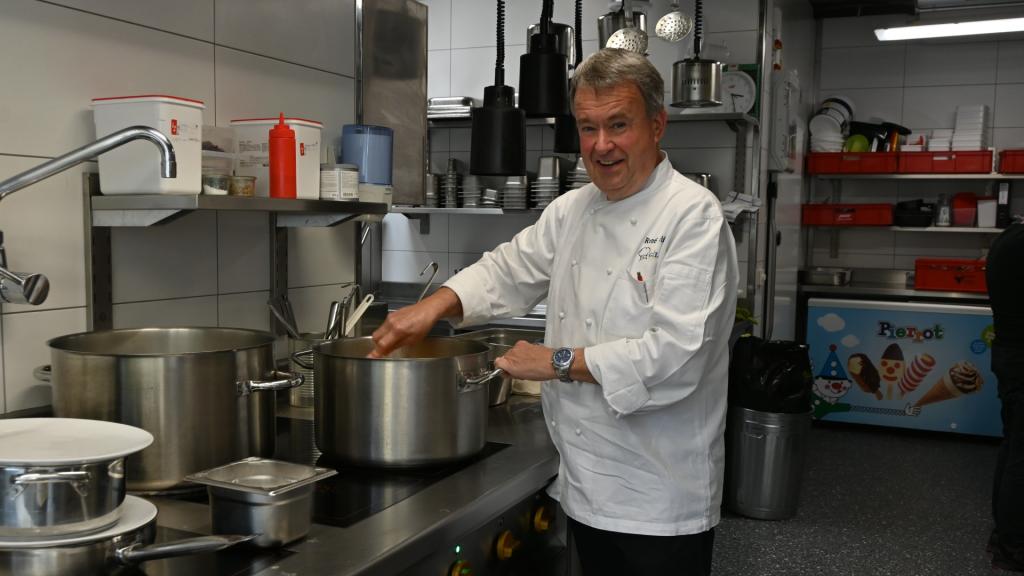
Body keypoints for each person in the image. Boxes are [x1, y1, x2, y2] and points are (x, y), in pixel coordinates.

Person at [371, 48, 739, 575]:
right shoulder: (572, 208)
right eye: (588, 128)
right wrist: (433, 306)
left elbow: (678, 355)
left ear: (657, 125)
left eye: (618, 125)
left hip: (659, 492)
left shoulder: (693, 216)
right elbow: (507, 269)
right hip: (586, 480)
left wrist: (556, 362)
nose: (601, 145)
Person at [987, 219, 1024, 573]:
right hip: (1020, 356)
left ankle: (1003, 535)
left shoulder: (1009, 238)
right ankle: (1014, 546)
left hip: (1009, 352)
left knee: (1013, 446)